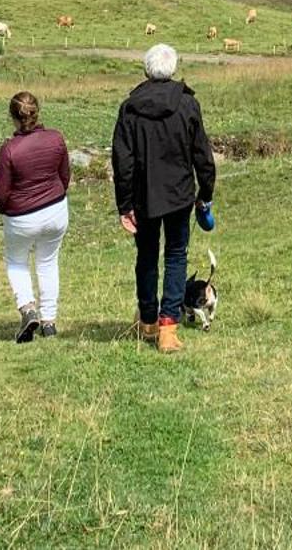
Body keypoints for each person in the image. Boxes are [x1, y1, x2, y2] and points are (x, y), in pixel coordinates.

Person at [112, 44, 216, 353]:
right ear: (173, 70)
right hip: (179, 194)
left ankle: (147, 321)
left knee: (146, 256)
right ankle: (168, 327)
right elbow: (202, 154)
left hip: (144, 197)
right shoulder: (187, 104)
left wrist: (124, 204)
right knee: (175, 256)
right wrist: (205, 193)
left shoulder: (129, 108)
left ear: (146, 70)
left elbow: (123, 161)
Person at [0, 90, 71, 343]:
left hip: (21, 216)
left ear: (12, 117)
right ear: (37, 113)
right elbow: (65, 175)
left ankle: (27, 308)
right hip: (56, 209)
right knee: (48, 262)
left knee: (16, 262)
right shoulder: (56, 138)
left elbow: (0, 193)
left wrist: (4, 211)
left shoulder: (9, 150)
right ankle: (49, 321)